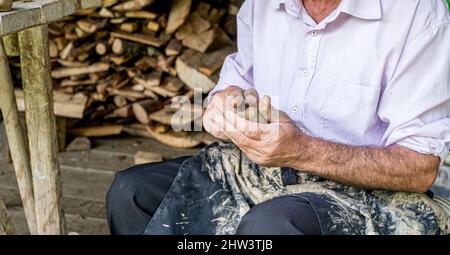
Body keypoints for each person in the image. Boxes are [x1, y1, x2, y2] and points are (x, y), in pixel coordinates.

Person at [107, 0, 450, 235]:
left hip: (365, 194)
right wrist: (225, 107)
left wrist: (301, 150)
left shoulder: (415, 13)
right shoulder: (263, 4)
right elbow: (234, 86)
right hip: (258, 175)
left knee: (270, 227)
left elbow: (419, 168)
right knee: (132, 192)